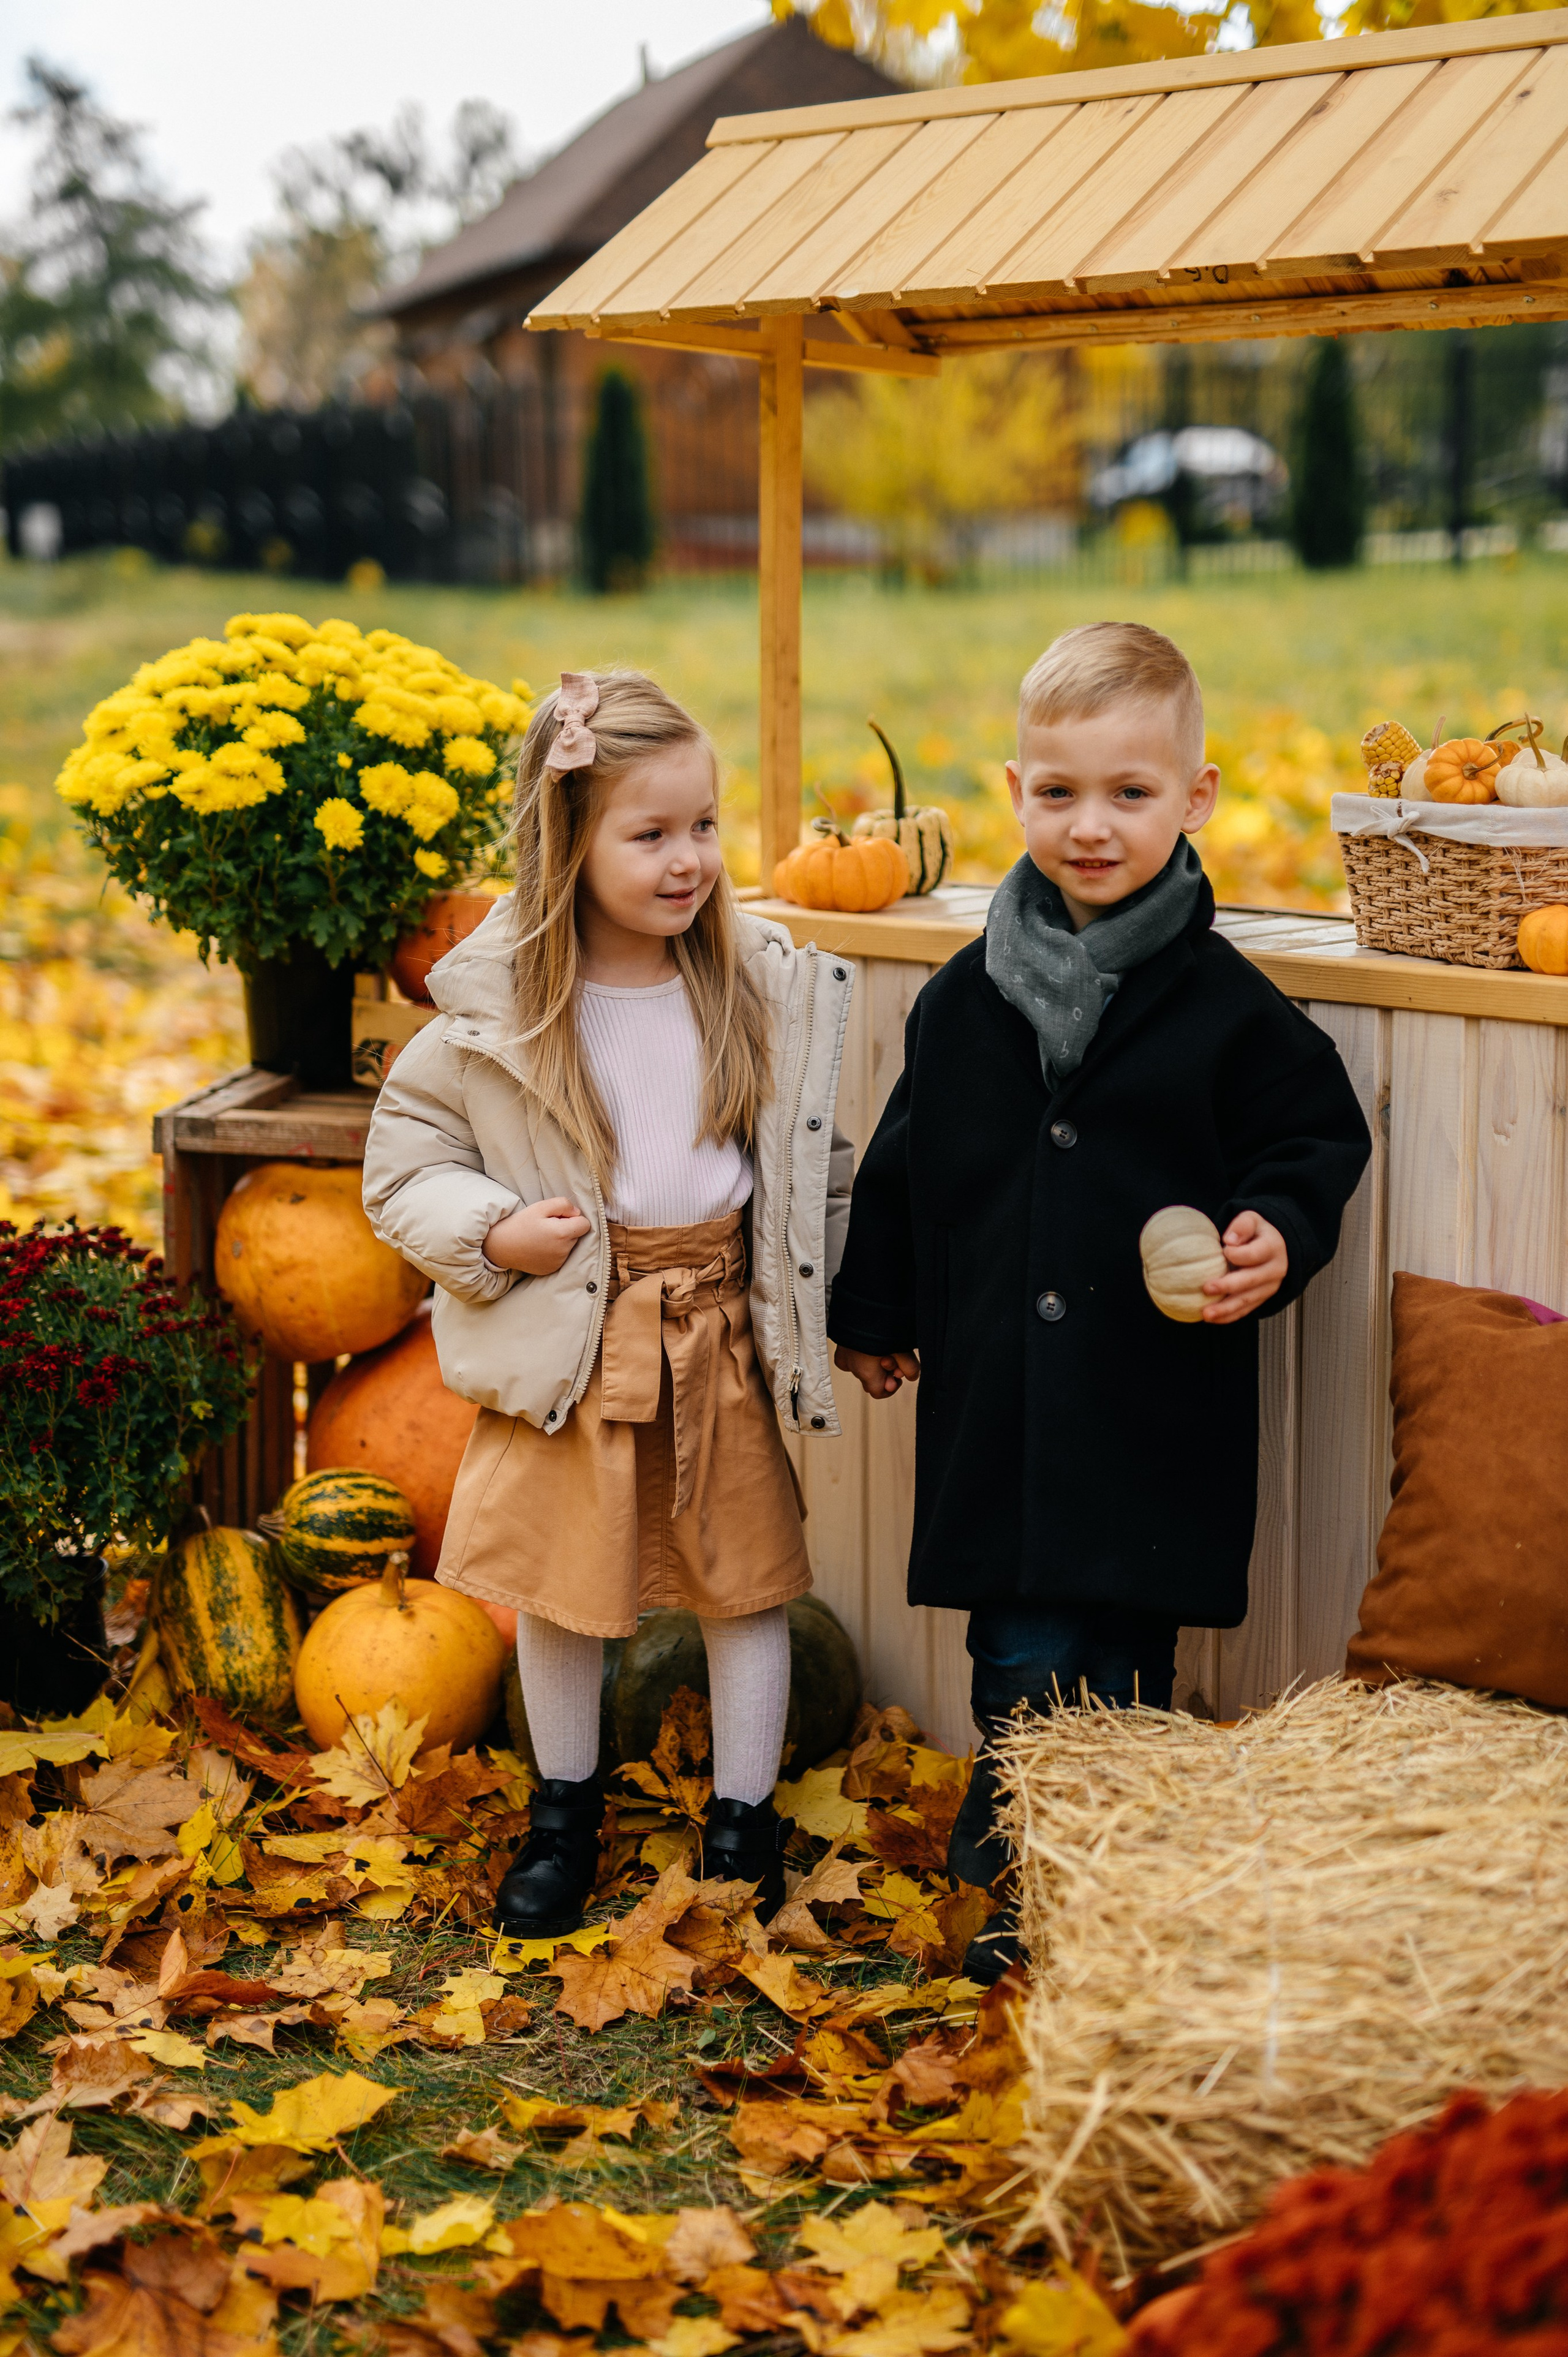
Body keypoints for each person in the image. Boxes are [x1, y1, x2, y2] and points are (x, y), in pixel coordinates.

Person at [828, 622, 1371, 1983]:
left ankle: (1074, 1851)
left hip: (1145, 1403)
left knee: (1120, 1647)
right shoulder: (963, 1002)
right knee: (1019, 1634)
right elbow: (905, 1163)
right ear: (1013, 793)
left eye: (1129, 794)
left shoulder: (1227, 1011)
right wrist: (875, 1309)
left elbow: (1313, 1140)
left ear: (1193, 800)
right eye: (1059, 793)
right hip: (1002, 1392)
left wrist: (1275, 1233)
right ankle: (1022, 1860)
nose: (1090, 826)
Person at [363, 670, 854, 1937]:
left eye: (702, 825)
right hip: (569, 1332)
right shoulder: (498, 1015)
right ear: (566, 842)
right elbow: (405, 1165)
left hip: (715, 1326)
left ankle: (742, 1822)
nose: (687, 858)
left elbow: (809, 1174)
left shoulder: (748, 988)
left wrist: (850, 1310)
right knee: (560, 1586)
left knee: (744, 1583)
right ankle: (563, 1815)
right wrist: (490, 1232)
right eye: (649, 833)